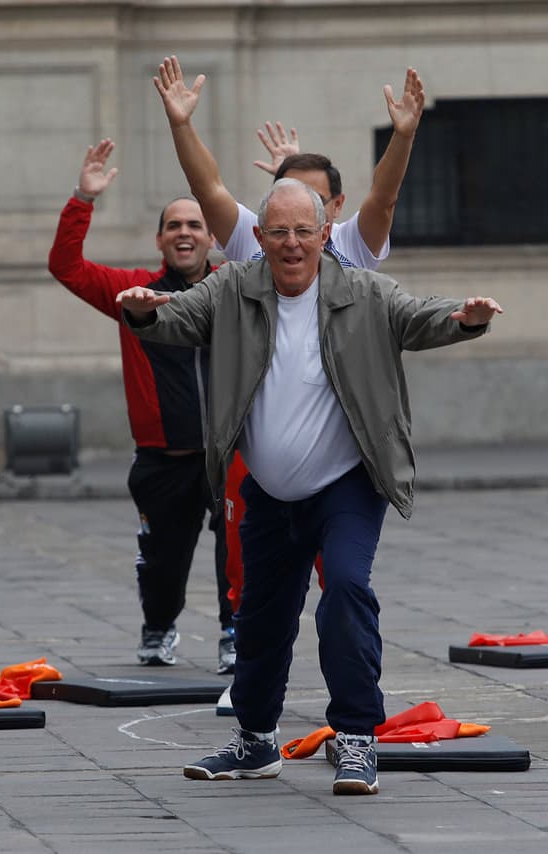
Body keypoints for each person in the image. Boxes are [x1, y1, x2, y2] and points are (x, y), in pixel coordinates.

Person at [116, 178, 501, 796]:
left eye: (303, 231)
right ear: (259, 238)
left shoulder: (364, 291)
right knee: (260, 615)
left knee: (345, 590)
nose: (291, 244)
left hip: (346, 483)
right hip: (268, 490)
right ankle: (255, 742)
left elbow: (418, 318)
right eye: (277, 232)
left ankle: (355, 740)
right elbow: (177, 318)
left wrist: (462, 320)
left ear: (326, 235)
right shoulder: (234, 287)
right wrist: (140, 309)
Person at [47, 138, 236, 672]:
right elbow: (66, 267)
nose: (184, 233)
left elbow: (299, 249)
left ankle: (234, 633)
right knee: (161, 563)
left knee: (239, 556)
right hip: (162, 462)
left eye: (195, 225)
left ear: (213, 237)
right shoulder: (132, 291)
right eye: (174, 225)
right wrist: (82, 200)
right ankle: (158, 628)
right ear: (159, 238)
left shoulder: (236, 286)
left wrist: (292, 179)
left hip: (228, 456)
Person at [153, 55, 425, 269]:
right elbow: (207, 190)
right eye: (290, 193)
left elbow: (383, 199)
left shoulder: (351, 244)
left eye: (315, 199)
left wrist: (403, 136)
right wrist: (181, 125)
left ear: (338, 204)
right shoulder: (254, 240)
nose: (292, 242)